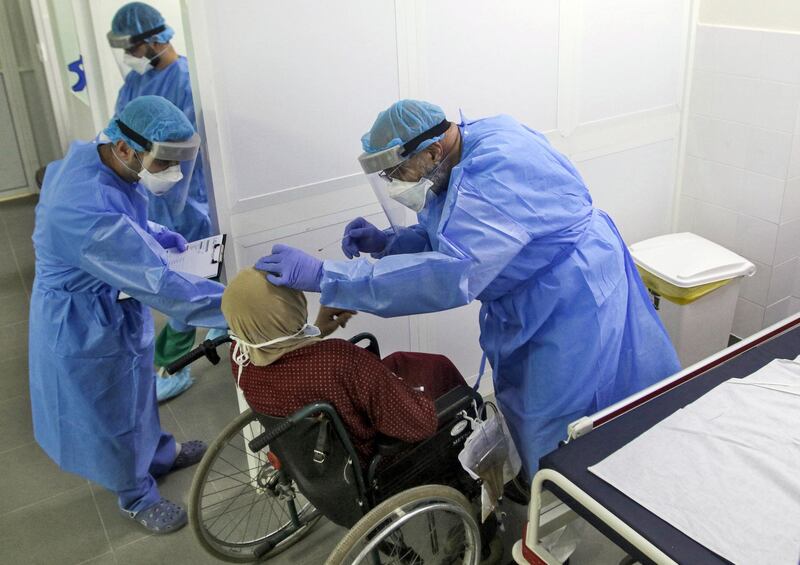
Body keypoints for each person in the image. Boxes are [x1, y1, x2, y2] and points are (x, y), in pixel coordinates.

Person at [254, 99, 681, 479]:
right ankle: (555, 475)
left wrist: (326, 277)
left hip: (569, 294)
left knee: (555, 410)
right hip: (531, 293)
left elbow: (447, 274)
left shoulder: (489, 174)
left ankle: (556, 515)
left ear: (432, 150)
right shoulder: (459, 154)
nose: (395, 182)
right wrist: (391, 243)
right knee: (529, 399)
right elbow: (454, 233)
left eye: (397, 172)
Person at [29, 95, 226, 535]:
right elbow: (158, 282)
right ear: (125, 148)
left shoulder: (99, 159)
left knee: (138, 389)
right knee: (112, 408)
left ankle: (158, 454)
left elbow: (124, 221)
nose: (171, 175)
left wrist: (153, 232)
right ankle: (135, 495)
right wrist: (231, 307)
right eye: (163, 164)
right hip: (85, 320)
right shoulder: (83, 207)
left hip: (113, 302)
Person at [222, 268, 469, 463]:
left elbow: (288, 363)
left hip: (314, 451)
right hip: (370, 458)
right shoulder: (339, 361)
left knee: (402, 361)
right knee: (440, 370)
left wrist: (316, 332)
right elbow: (420, 425)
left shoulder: (240, 357)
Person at [107, 2, 217, 401]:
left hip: (189, 196)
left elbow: (182, 150)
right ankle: (185, 345)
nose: (130, 57)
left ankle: (173, 362)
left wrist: (170, 190)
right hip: (150, 195)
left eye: (133, 48)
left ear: (153, 39)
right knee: (180, 277)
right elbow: (119, 131)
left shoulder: (188, 79)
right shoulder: (135, 84)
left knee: (190, 276)